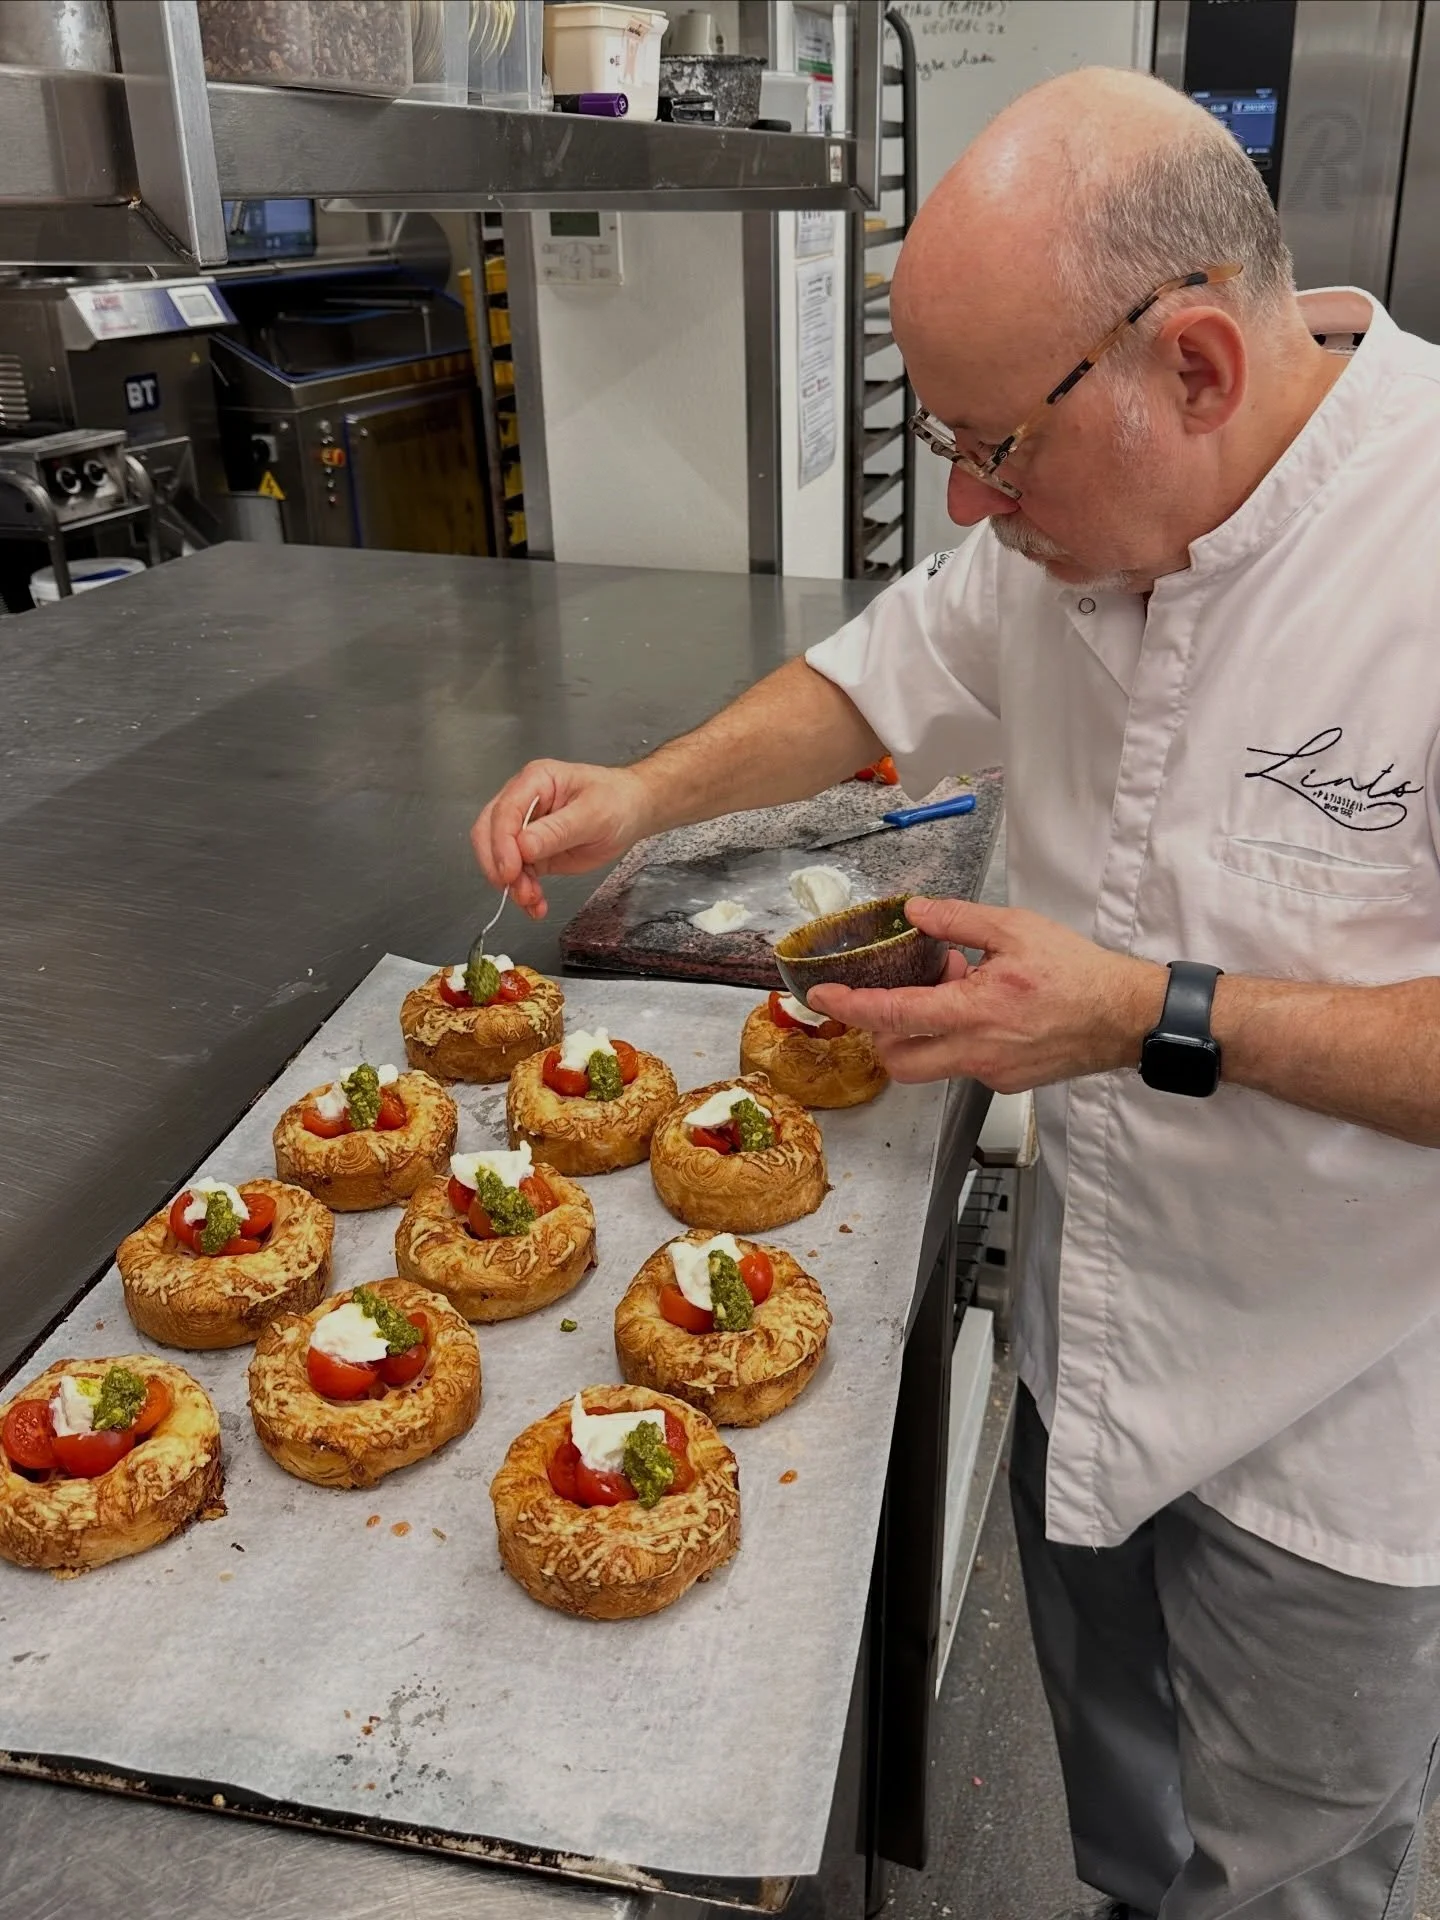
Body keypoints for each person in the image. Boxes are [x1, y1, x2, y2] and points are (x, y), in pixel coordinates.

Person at [472, 67, 1440, 1920]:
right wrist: (645, 793)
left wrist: (1148, 1008)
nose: (968, 503)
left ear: (1198, 371)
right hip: (1091, 1349)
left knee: (1287, 1886)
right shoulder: (1061, 528)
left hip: (1343, 1429)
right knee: (1127, 1838)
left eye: (995, 447)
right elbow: (874, 675)